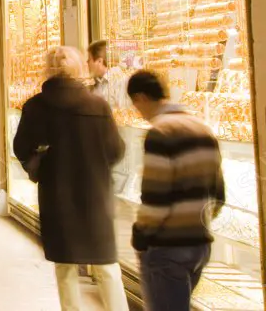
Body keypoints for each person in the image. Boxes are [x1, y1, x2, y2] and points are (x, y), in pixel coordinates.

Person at [13, 46, 127, 311]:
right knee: (106, 264)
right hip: (95, 193)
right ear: (79, 69)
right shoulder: (97, 105)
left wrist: (40, 167)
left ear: (48, 69)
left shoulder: (35, 106)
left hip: (56, 194)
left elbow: (21, 147)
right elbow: (116, 150)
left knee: (65, 267)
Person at [127, 70, 225, 310]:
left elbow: (155, 197)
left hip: (167, 246)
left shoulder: (161, 134)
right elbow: (218, 194)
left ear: (140, 97)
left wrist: (140, 236)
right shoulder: (202, 128)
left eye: (135, 104)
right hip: (199, 244)